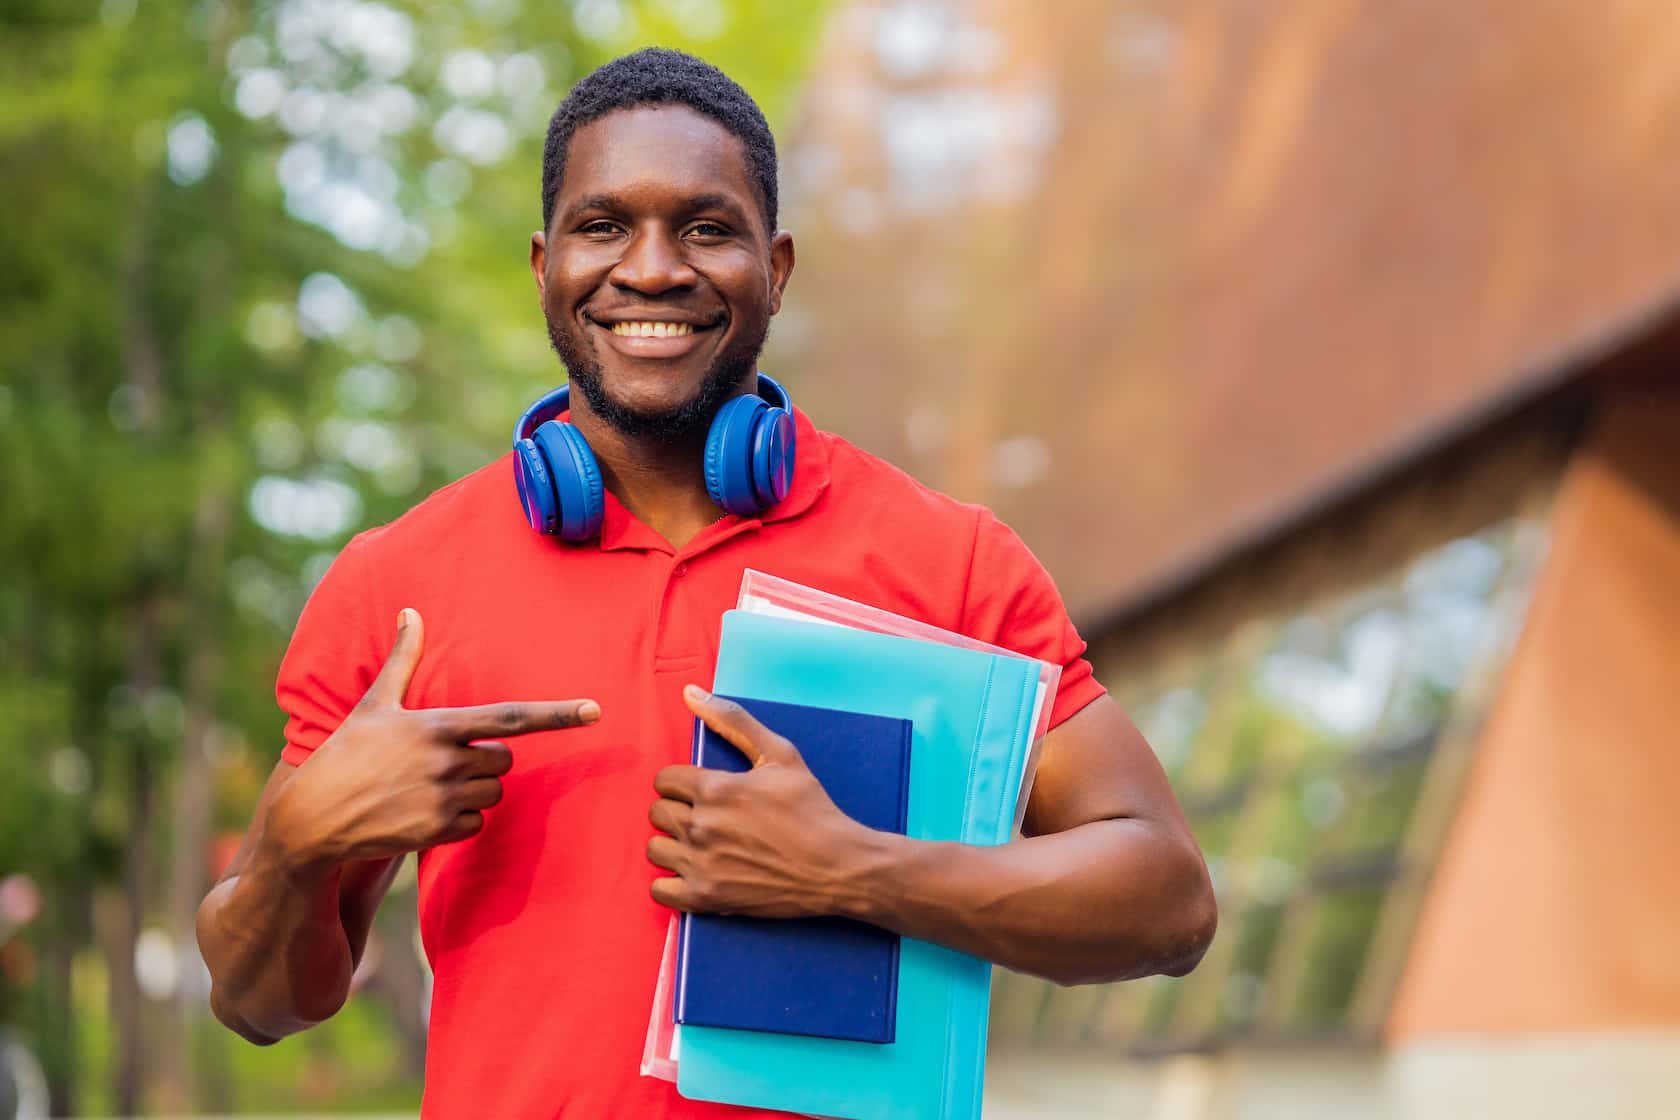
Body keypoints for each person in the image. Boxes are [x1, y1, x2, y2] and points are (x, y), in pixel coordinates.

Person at [196, 48, 1216, 1118]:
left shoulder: (948, 558)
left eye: (706, 228)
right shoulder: (396, 587)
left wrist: (856, 871)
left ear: (776, 268)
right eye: (603, 227)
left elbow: (1169, 899)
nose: (651, 270)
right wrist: (297, 845)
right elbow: (262, 1000)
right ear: (544, 264)